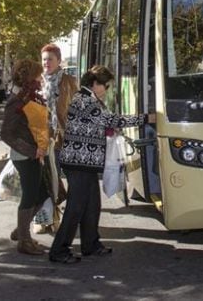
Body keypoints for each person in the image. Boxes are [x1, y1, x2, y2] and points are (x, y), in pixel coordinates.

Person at [49, 65, 153, 264]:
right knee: (76, 207)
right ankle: (59, 250)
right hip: (78, 162)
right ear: (96, 84)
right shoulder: (85, 100)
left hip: (84, 162)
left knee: (92, 205)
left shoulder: (87, 99)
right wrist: (146, 118)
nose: (107, 89)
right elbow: (112, 120)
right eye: (105, 85)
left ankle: (91, 245)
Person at [0, 59, 49, 255]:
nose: (40, 78)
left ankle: (20, 231)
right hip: (25, 156)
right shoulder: (17, 100)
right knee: (30, 196)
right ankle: (24, 240)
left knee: (42, 193)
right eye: (37, 75)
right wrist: (31, 150)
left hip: (33, 153)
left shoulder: (29, 96)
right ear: (29, 77)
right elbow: (6, 133)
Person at [35, 43, 78, 234]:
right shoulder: (37, 82)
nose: (46, 63)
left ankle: (67, 218)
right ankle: (45, 219)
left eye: (50, 59)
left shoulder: (69, 81)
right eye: (44, 59)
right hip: (43, 138)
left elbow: (78, 108)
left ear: (59, 61)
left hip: (65, 137)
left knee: (71, 180)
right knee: (45, 181)